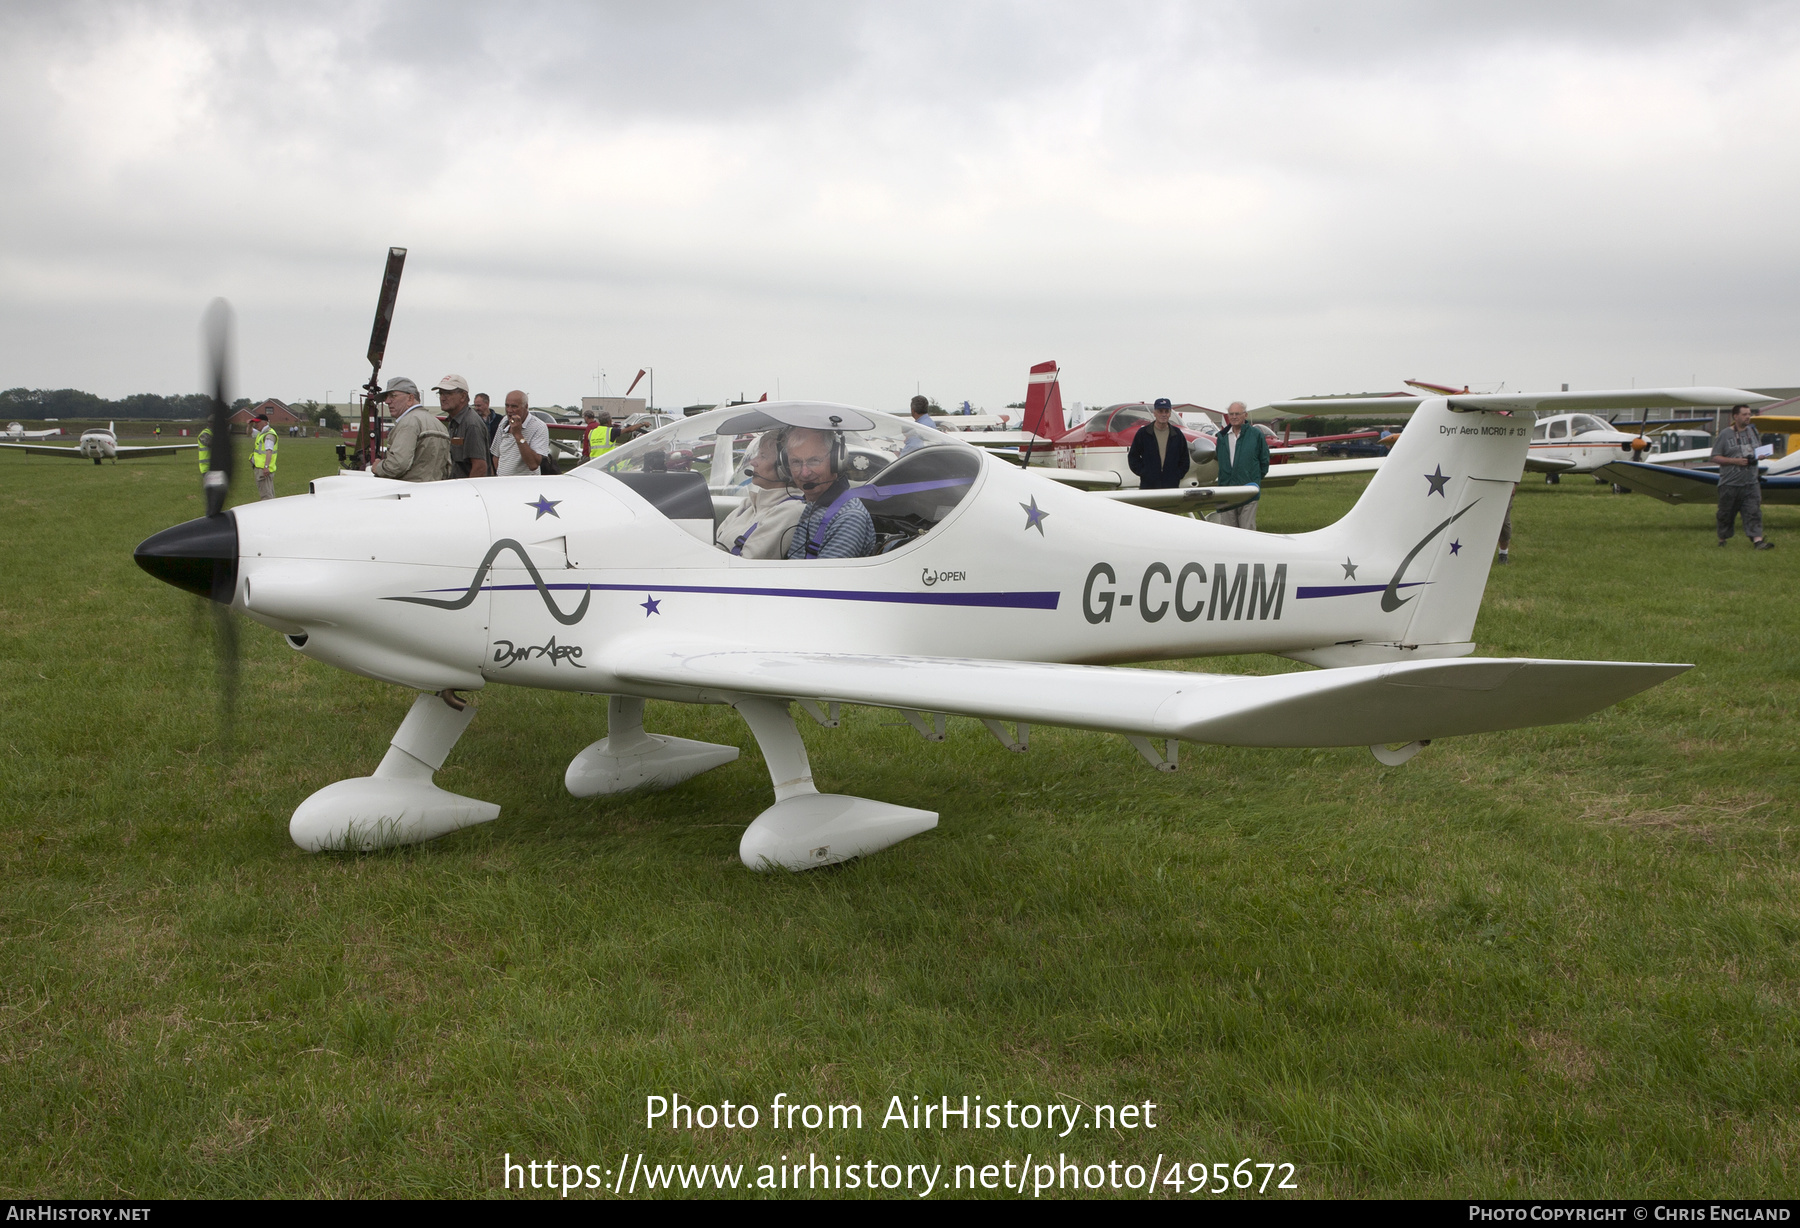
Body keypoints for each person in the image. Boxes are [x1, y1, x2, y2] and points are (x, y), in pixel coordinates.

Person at [784, 427, 877, 559]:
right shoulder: (814, 504)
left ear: (836, 462)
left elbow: (822, 578)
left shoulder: (849, 517)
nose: (804, 473)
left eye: (814, 460)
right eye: (796, 462)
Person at [715, 432, 806, 558]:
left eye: (762, 456)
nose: (753, 462)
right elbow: (714, 541)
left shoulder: (791, 510)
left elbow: (747, 563)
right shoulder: (749, 504)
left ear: (785, 466)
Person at [1711, 404, 1773, 549]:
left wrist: (1761, 455)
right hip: (1730, 483)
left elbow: (1756, 450)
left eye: (1749, 414)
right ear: (1736, 416)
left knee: (1754, 512)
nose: (1747, 417)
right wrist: (1735, 461)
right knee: (1726, 514)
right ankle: (1722, 540)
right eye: (1744, 414)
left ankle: (1758, 541)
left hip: (1751, 482)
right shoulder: (1726, 434)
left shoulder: (1753, 431)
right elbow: (1714, 457)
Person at [372, 376, 451, 482]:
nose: (387, 401)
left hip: (410, 491)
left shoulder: (408, 422)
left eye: (392, 396)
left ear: (410, 398)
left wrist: (378, 467)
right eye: (386, 397)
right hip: (434, 491)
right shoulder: (440, 425)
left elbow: (398, 465)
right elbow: (447, 468)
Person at [1207, 402, 1271, 530]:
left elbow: (1264, 462)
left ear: (1245, 415)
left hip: (1248, 490)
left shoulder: (1255, 435)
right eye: (1231, 414)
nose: (1234, 417)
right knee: (1228, 530)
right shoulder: (1222, 437)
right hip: (1226, 491)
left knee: (1247, 530)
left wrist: (1254, 479)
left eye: (1237, 414)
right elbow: (1220, 460)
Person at [432, 375, 490, 478]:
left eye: (448, 393)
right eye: (440, 393)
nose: (442, 398)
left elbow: (480, 467)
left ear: (463, 396)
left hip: (464, 491)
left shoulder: (471, 424)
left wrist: (468, 493)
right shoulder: (455, 422)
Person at [1127, 398, 1190, 490]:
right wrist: (1145, 473)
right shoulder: (1143, 433)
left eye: (1166, 411)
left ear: (1170, 413)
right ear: (1155, 413)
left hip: (1171, 486)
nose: (1163, 414)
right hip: (1148, 486)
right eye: (1160, 411)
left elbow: (1185, 459)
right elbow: (1133, 457)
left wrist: (1176, 475)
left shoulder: (1177, 434)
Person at [492, 390, 551, 477]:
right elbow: (496, 455)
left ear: (526, 406)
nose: (509, 410)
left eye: (514, 406)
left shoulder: (539, 427)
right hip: (503, 484)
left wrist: (518, 434)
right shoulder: (504, 422)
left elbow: (533, 464)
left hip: (525, 485)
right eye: (507, 406)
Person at [249, 413, 278, 500]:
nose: (256, 424)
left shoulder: (268, 435)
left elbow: (269, 451)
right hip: (261, 468)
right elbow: (249, 433)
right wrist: (249, 425)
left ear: (265, 423)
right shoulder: (261, 433)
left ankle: (268, 512)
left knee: (266, 496)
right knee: (268, 493)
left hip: (263, 470)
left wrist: (266, 467)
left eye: (258, 422)